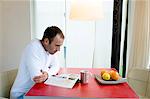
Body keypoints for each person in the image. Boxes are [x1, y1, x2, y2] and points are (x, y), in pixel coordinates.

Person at [10, 26, 64, 99]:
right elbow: (37, 78)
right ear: (46, 41)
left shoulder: (50, 50)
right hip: (22, 95)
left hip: (35, 92)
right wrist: (48, 71)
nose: (59, 49)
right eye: (57, 45)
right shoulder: (33, 48)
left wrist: (47, 74)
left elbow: (56, 65)